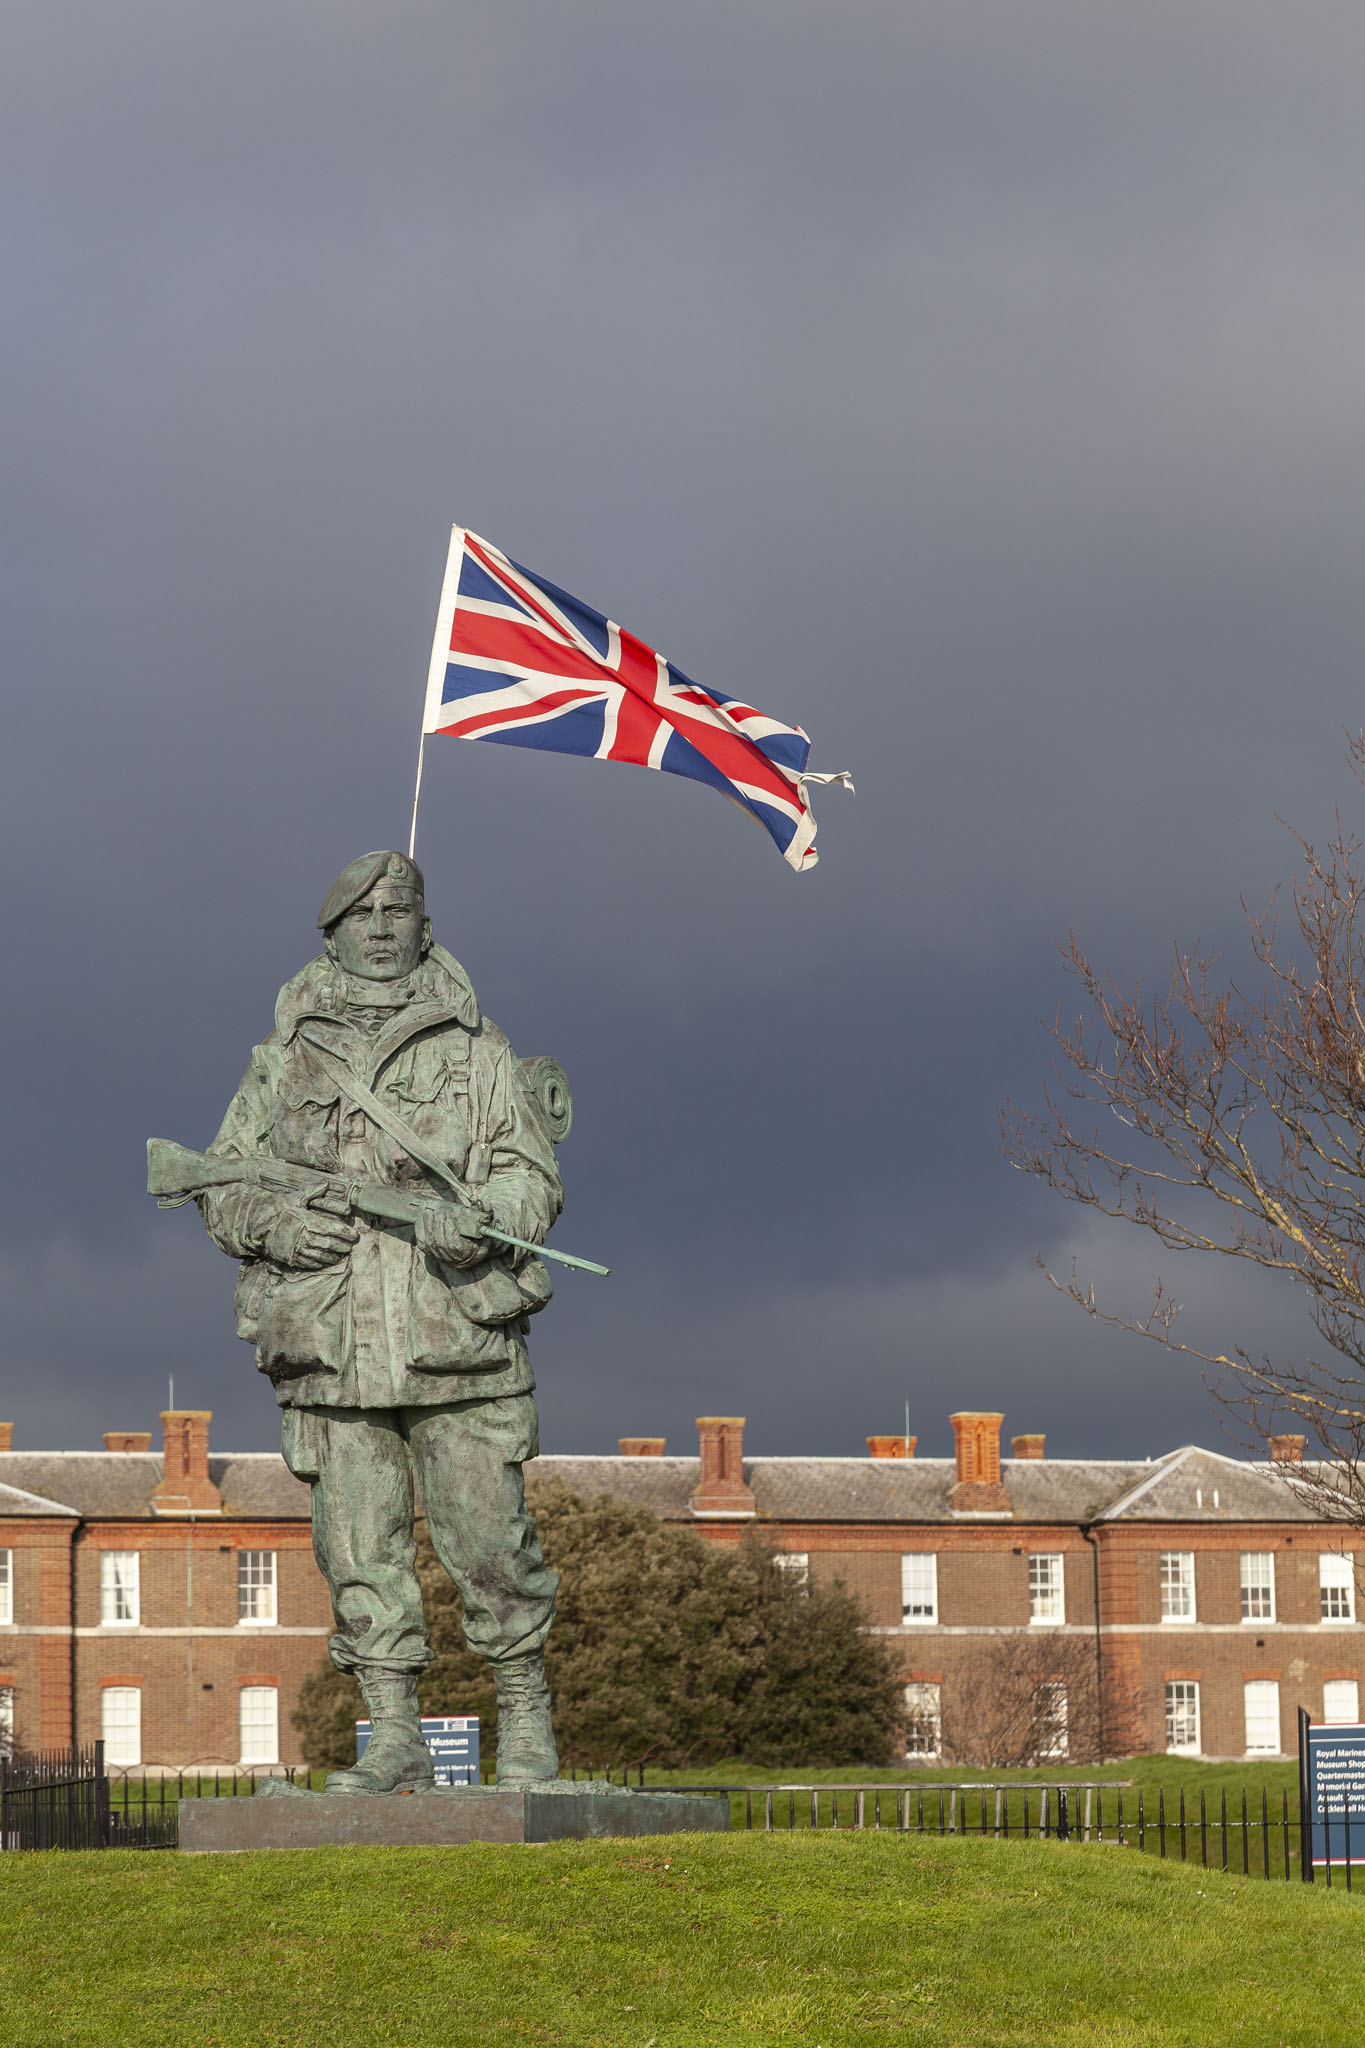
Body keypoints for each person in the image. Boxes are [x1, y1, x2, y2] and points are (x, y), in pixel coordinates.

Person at [197, 850, 563, 1792]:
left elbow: (531, 1174)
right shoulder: (280, 1061)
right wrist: (280, 1225)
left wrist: (479, 1218)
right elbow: (222, 1185)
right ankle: (391, 1728)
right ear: (332, 934)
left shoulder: (479, 1052)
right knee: (358, 1549)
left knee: (488, 1541)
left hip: (456, 1340)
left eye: (400, 908)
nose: (382, 925)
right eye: (362, 913)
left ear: (425, 926)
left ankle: (524, 1716)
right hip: (331, 1343)